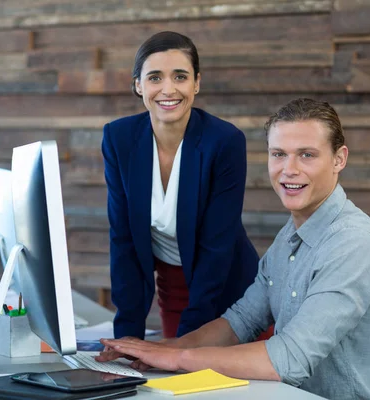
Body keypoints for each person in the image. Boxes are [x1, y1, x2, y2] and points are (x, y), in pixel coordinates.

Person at [98, 98, 370, 399]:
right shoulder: (290, 235)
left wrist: (180, 358)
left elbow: (289, 358)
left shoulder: (353, 243)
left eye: (307, 155)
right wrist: (166, 349)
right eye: (279, 154)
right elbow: (241, 321)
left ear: (339, 159)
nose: (289, 169)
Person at [101, 31, 259, 339]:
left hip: (231, 293)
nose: (168, 89)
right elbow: (124, 242)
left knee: (215, 382)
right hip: (173, 287)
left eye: (180, 76)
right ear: (138, 85)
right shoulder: (119, 139)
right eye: (155, 77)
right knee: (163, 379)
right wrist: (127, 337)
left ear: (196, 83)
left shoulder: (224, 142)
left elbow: (217, 248)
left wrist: (185, 345)